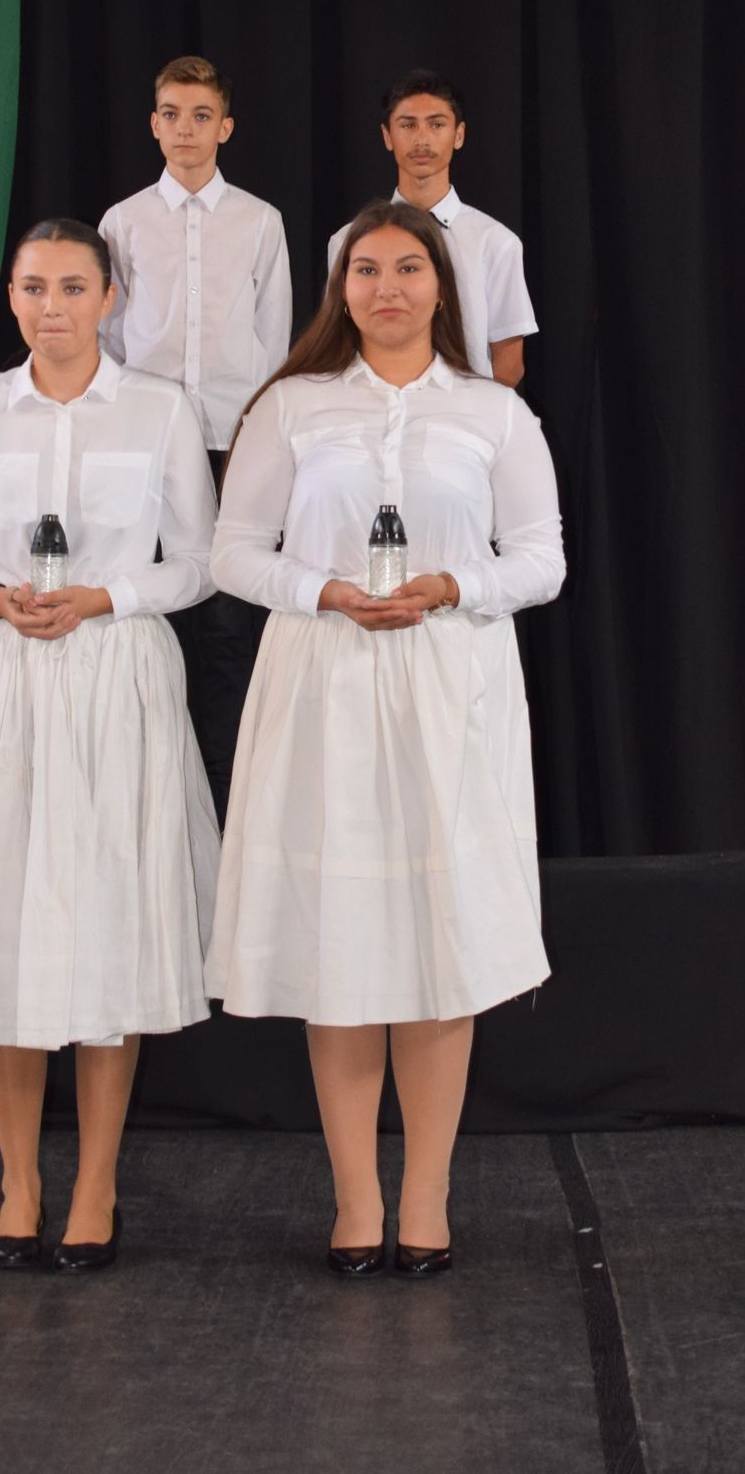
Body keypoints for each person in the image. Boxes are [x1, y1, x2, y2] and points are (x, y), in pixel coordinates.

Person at [207, 201, 565, 1277]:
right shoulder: (292, 404)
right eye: (366, 269)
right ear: (341, 288)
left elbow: (542, 558)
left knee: (440, 945)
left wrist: (453, 584)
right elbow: (232, 550)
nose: (387, 287)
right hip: (324, 683)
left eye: (408, 267)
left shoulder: (494, 411)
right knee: (344, 940)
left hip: (452, 686)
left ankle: (427, 1196)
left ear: (442, 285)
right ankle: (356, 1200)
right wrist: (321, 589)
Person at [0, 219, 220, 1274]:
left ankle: (97, 1181)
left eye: (73, 286)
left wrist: (104, 595)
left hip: (116, 676)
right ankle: (18, 1181)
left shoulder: (161, 408)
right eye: (33, 287)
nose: (52, 306)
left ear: (110, 297)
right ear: (12, 296)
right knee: (3, 921)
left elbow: (199, 560)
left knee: (112, 921)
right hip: (2, 681)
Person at [99, 56, 292, 820]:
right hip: (146, 447)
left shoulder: (260, 221)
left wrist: (260, 442)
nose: (186, 128)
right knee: (153, 616)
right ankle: (151, 800)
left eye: (201, 114)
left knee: (228, 624)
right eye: (172, 114)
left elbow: (274, 343)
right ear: (154, 124)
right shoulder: (122, 222)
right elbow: (109, 337)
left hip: (230, 445)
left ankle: (226, 800)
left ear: (226, 126)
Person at [328, 69, 536, 386]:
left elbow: (508, 363)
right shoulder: (347, 241)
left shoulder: (496, 242)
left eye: (436, 124)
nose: (421, 139)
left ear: (459, 134)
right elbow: (339, 341)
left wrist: (475, 413)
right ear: (387, 136)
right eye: (408, 125)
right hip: (372, 408)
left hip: (464, 412)